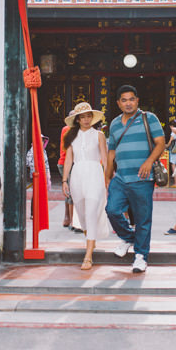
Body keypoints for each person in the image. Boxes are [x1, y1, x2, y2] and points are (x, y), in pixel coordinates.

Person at [105, 85, 165, 273]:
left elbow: (160, 143)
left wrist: (149, 162)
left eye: (131, 99)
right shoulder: (114, 123)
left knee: (142, 218)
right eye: (124, 100)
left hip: (142, 177)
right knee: (112, 210)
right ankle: (130, 237)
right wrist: (108, 176)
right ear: (118, 103)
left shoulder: (149, 118)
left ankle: (141, 256)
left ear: (137, 101)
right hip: (121, 177)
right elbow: (111, 152)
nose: (128, 103)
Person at [61, 102, 110, 270]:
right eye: (83, 117)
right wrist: (64, 180)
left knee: (91, 210)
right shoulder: (71, 137)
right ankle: (91, 236)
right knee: (81, 213)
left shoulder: (99, 135)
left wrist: (108, 179)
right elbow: (68, 160)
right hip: (77, 175)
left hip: (95, 173)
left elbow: (105, 158)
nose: (86, 119)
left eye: (89, 116)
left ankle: (88, 256)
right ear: (78, 120)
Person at [57, 125, 74, 228]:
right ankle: (71, 219)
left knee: (71, 191)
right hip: (66, 163)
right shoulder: (67, 129)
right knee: (71, 191)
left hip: (75, 163)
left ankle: (68, 217)